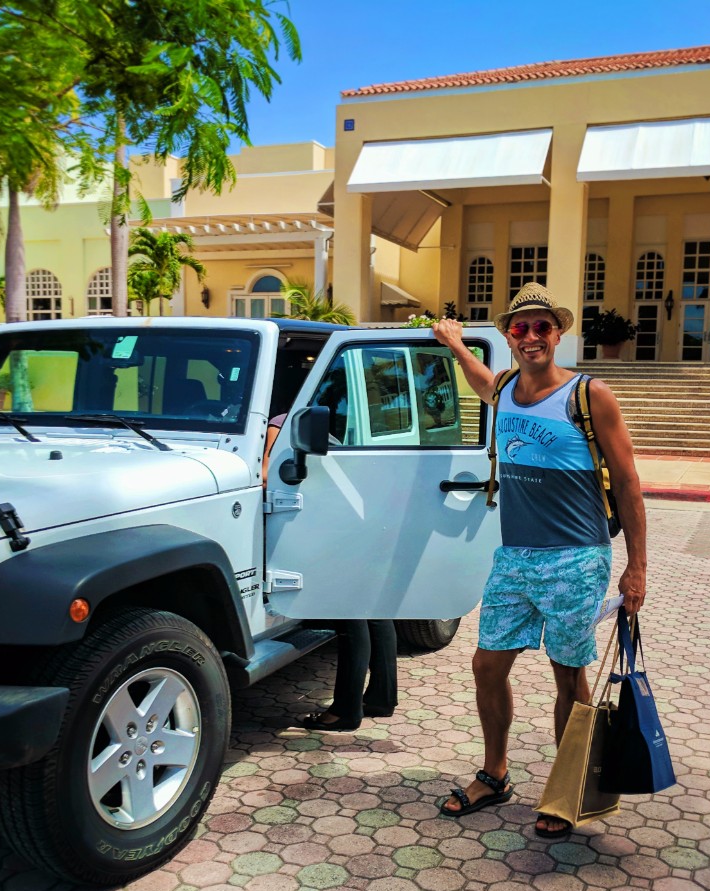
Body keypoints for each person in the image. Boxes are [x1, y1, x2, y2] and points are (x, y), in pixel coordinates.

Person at [431, 282, 647, 839]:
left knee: (568, 675)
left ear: (558, 333)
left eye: (541, 327)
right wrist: (455, 343)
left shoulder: (588, 394)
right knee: (487, 666)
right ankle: (495, 774)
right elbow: (480, 380)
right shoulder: (503, 388)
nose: (531, 337)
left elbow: (627, 482)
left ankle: (566, 789)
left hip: (576, 557)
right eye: (520, 328)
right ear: (508, 336)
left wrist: (637, 567)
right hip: (514, 558)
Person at [264, 414, 398, 732]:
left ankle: (345, 712)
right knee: (374, 613)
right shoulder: (322, 428)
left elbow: (268, 477)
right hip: (361, 523)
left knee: (349, 617)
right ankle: (381, 698)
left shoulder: (281, 423)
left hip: (335, 531)